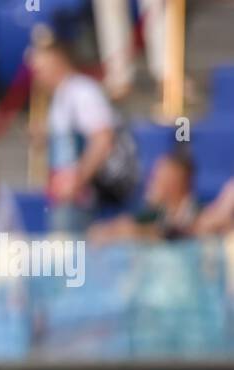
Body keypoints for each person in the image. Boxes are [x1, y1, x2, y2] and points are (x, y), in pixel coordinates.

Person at [30, 39, 136, 233]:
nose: (37, 76)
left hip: (82, 198)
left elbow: (103, 139)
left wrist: (78, 180)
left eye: (40, 69)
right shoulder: (61, 96)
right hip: (66, 195)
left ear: (57, 62)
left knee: (72, 257)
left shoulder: (82, 91)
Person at [90, 150, 197, 242]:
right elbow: (124, 225)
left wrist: (140, 233)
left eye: (158, 178)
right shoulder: (156, 215)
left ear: (176, 184)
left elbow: (185, 232)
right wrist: (111, 230)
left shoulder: (198, 213)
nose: (151, 183)